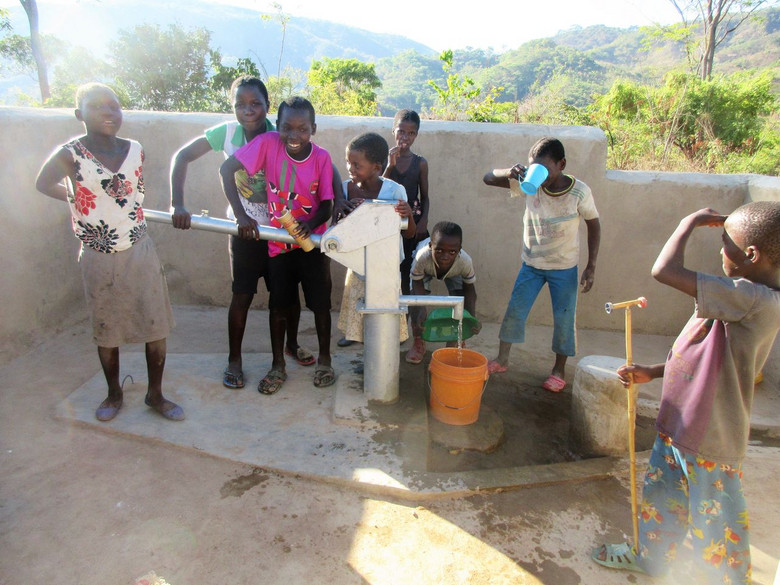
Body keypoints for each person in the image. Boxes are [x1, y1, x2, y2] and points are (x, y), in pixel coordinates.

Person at [592, 202, 780, 583]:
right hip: (681, 422)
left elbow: (663, 271)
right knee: (663, 501)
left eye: (724, 241)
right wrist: (655, 372)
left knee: (717, 524)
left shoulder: (754, 298)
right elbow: (706, 356)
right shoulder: (742, 295)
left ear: (751, 255)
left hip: (710, 439)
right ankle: (653, 559)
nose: (719, 248)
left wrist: (687, 223)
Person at [35, 82, 183, 422]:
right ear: (79, 115)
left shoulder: (135, 150)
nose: (109, 113)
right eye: (98, 107)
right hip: (97, 252)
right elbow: (42, 184)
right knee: (107, 327)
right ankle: (114, 393)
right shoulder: (69, 154)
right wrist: (76, 198)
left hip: (139, 248)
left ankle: (155, 395)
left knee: (155, 325)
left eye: (114, 106)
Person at [169, 76, 316, 390]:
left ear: (266, 105)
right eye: (240, 104)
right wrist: (177, 204)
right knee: (242, 294)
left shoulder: (281, 134)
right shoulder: (227, 132)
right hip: (244, 229)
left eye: (255, 104)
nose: (248, 110)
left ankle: (291, 345)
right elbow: (182, 157)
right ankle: (234, 359)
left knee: (286, 296)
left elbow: (311, 166)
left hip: (278, 230)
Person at [220, 96, 334, 395]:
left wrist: (309, 224)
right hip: (277, 243)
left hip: (311, 242)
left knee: (320, 303)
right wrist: (241, 215)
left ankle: (325, 359)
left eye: (302, 129)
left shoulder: (321, 157)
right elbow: (226, 170)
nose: (293, 136)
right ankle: (277, 365)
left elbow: (327, 203)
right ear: (277, 126)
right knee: (279, 304)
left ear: (313, 129)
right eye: (287, 127)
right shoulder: (268, 143)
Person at [482, 137, 600, 392]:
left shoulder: (579, 192)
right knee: (515, 310)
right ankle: (502, 359)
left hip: (564, 267)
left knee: (564, 320)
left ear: (562, 164)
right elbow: (488, 178)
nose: (540, 175)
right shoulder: (529, 184)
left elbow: (594, 224)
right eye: (535, 167)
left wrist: (591, 266)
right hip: (531, 264)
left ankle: (558, 370)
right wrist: (509, 172)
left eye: (545, 168)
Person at [335, 132, 416, 346]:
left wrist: (407, 214)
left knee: (383, 308)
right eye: (348, 163)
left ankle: (384, 345)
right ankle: (355, 336)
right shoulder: (345, 189)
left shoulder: (394, 191)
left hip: (385, 265)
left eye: (356, 165)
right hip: (357, 263)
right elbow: (337, 230)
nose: (350, 169)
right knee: (357, 303)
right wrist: (341, 210)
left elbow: (409, 233)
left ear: (376, 167)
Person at [405, 221, 480, 364]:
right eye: (439, 250)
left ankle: (456, 339)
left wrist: (471, 318)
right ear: (430, 247)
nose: (445, 256)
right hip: (425, 270)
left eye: (452, 252)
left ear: (459, 250)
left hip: (454, 271)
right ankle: (419, 339)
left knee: (461, 299)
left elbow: (470, 291)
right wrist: (421, 308)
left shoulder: (464, 261)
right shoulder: (422, 256)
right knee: (414, 300)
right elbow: (416, 282)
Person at [383, 110, 430, 296]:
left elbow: (425, 196)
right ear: (393, 131)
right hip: (389, 224)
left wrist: (423, 221)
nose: (405, 137)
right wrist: (390, 166)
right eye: (401, 131)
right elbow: (379, 189)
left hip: (413, 224)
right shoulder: (385, 159)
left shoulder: (420, 163)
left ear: (416, 135)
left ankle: (407, 320)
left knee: (409, 275)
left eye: (411, 133)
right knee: (390, 271)